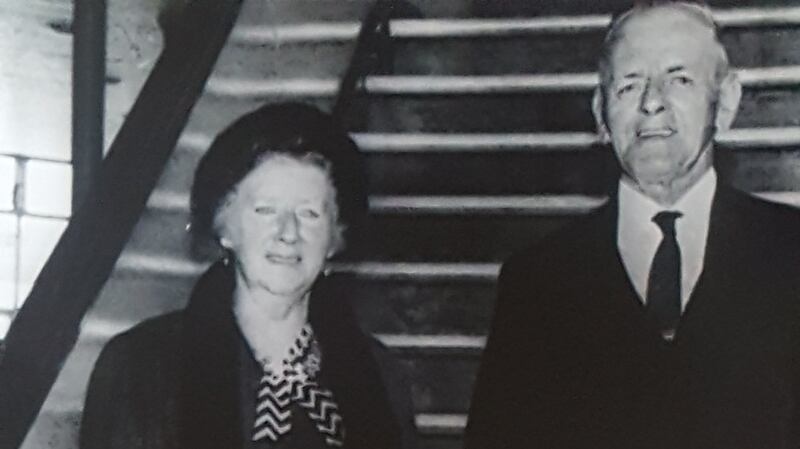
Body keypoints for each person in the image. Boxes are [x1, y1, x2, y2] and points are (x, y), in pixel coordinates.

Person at [465, 2, 800, 449]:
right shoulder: (538, 281)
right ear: (601, 113)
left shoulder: (791, 252)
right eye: (628, 85)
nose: (651, 103)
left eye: (679, 79)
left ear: (727, 102)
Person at [80, 102, 417, 449]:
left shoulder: (379, 375)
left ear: (335, 239)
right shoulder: (141, 366)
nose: (288, 232)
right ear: (225, 227)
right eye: (266, 210)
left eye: (310, 214)